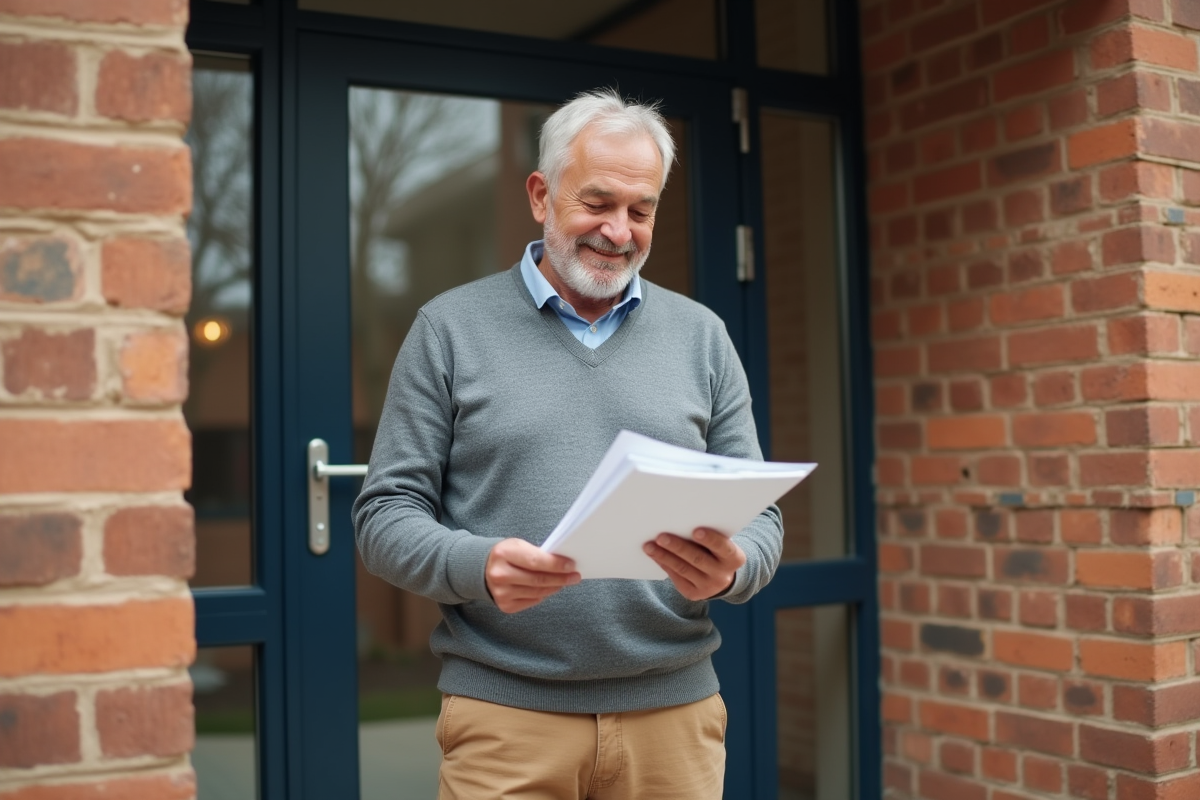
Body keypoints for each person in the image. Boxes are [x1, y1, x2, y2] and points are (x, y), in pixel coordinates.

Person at [353, 88, 783, 800]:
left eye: (640, 211)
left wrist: (734, 570)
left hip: (673, 718)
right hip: (505, 715)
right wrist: (478, 563)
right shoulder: (449, 329)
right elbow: (383, 518)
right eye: (598, 203)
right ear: (540, 195)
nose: (618, 231)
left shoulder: (702, 336)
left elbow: (760, 517)